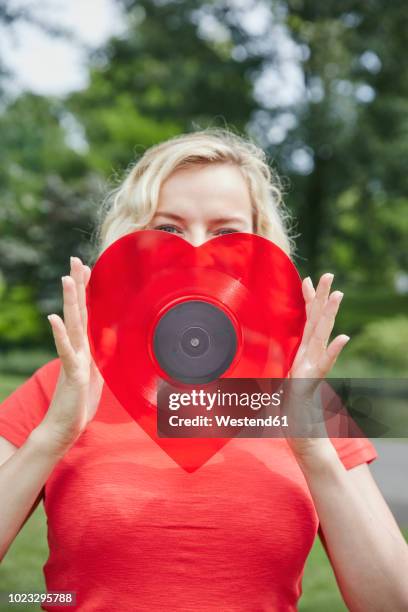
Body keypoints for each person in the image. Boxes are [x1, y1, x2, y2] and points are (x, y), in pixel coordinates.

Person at [0, 129, 407, 611]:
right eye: (168, 229)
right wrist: (53, 437)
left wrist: (314, 447)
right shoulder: (62, 385)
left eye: (226, 232)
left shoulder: (306, 394)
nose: (196, 252)